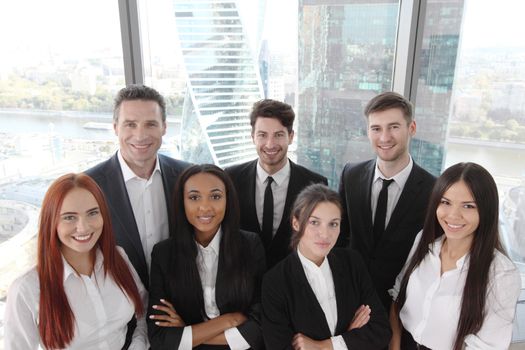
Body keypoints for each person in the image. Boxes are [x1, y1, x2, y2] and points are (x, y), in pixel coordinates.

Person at [5, 173, 147, 349]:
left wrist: (138, 345)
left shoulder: (118, 258)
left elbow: (143, 306)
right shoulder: (26, 288)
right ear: (51, 222)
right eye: (69, 217)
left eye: (93, 213)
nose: (84, 227)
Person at [389, 162, 522, 350]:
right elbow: (397, 297)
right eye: (445, 202)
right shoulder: (423, 241)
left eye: (468, 206)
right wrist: (394, 346)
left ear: (486, 210)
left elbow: (487, 347)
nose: (453, 215)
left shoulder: (501, 274)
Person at [147, 164, 266, 349]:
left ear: (228, 200)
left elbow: (259, 328)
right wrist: (228, 320)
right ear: (182, 202)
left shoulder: (250, 245)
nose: (205, 207)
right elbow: (160, 337)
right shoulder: (163, 254)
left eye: (215, 196)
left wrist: (188, 330)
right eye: (194, 197)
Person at [85, 84, 191, 288]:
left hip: (179, 303)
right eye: (130, 124)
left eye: (150, 124)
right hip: (118, 309)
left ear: (164, 127)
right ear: (115, 127)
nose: (140, 135)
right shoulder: (88, 187)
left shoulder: (188, 177)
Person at [262, 184, 391, 349]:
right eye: (314, 222)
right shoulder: (275, 282)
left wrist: (325, 346)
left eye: (333, 224)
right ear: (296, 223)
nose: (325, 234)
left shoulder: (352, 262)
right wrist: (349, 337)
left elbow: (381, 331)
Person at [338, 91, 436, 310]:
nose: (384, 137)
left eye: (393, 127)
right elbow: (340, 236)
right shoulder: (350, 175)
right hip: (348, 298)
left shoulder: (434, 190)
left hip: (403, 306)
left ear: (412, 128)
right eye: (376, 128)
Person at [226, 99, 327, 269]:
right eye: (262, 135)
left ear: (291, 137)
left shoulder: (315, 184)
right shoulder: (230, 178)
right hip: (241, 285)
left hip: (291, 285)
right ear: (252, 137)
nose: (270, 144)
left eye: (278, 135)